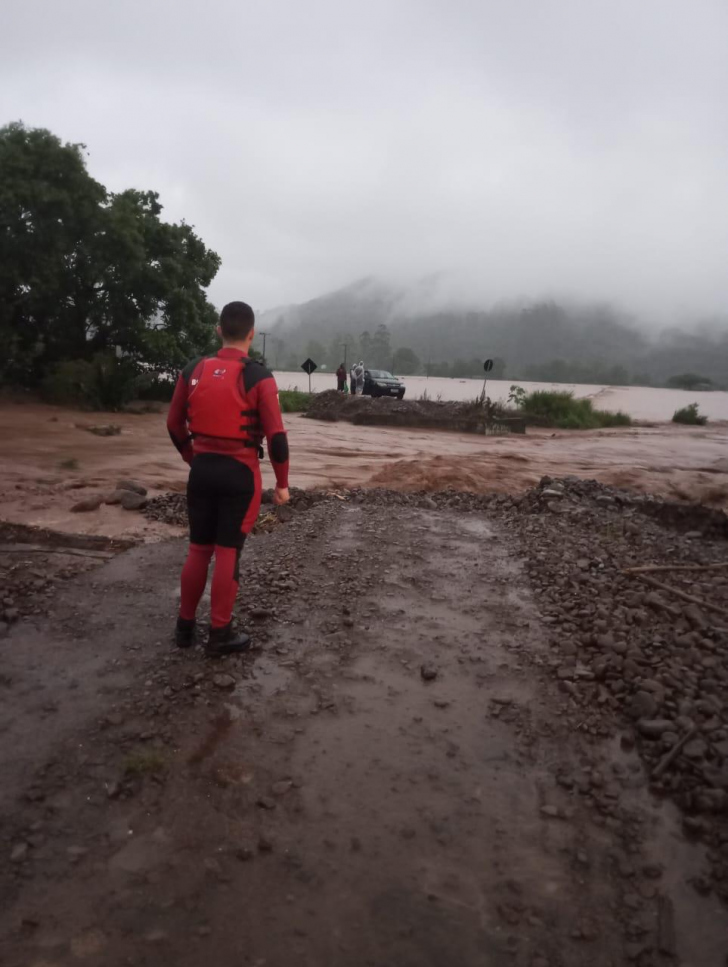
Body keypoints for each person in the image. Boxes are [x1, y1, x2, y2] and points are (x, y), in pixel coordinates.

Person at [167, 301, 290, 655]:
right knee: (227, 553)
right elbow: (277, 438)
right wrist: (282, 484)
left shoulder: (192, 369)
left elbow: (174, 424)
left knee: (198, 549)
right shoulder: (259, 377)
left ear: (219, 330)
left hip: (202, 471)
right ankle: (220, 634)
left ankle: (184, 629)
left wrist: (193, 458)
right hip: (240, 475)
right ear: (251, 333)